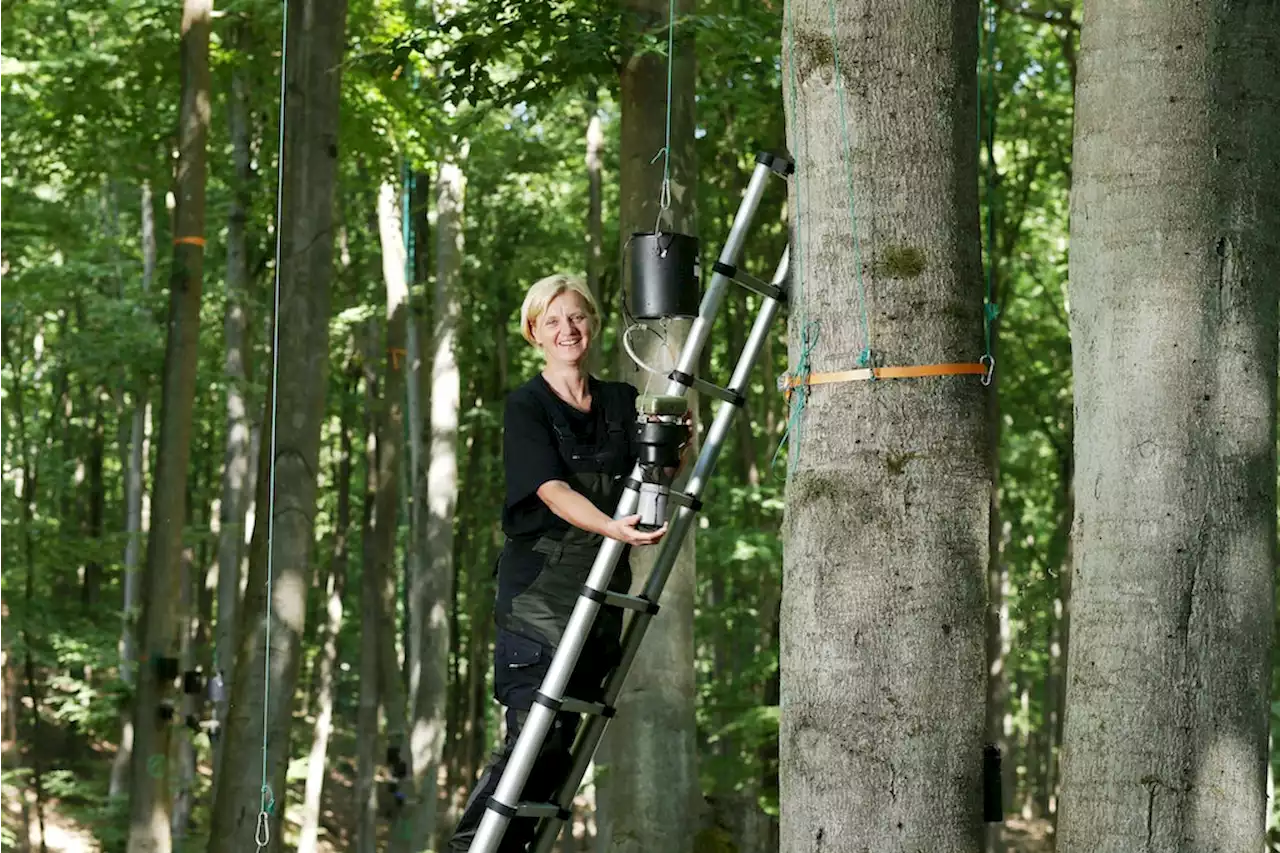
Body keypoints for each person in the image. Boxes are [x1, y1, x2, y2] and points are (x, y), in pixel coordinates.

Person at [448, 273, 686, 852]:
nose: (567, 330)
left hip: (602, 585)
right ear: (534, 332)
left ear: (593, 324)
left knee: (563, 742)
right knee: (535, 731)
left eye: (576, 317)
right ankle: (472, 848)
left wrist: (670, 447)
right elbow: (550, 489)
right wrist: (610, 525)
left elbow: (655, 468)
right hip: (540, 591)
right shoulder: (526, 405)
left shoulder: (621, 401)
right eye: (552, 321)